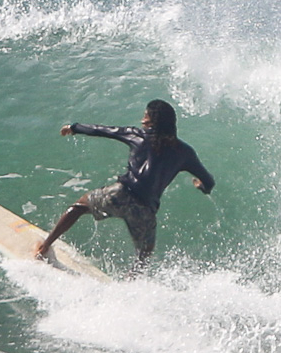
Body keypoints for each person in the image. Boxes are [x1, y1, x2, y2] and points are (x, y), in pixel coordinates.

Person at [35, 99, 214, 269]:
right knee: (144, 254)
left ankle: (44, 247)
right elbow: (209, 182)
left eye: (146, 116)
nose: (142, 119)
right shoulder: (185, 152)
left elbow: (104, 130)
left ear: (152, 121)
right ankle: (130, 285)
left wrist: (74, 128)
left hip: (120, 195)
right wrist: (201, 186)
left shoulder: (137, 135)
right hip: (145, 209)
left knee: (78, 208)